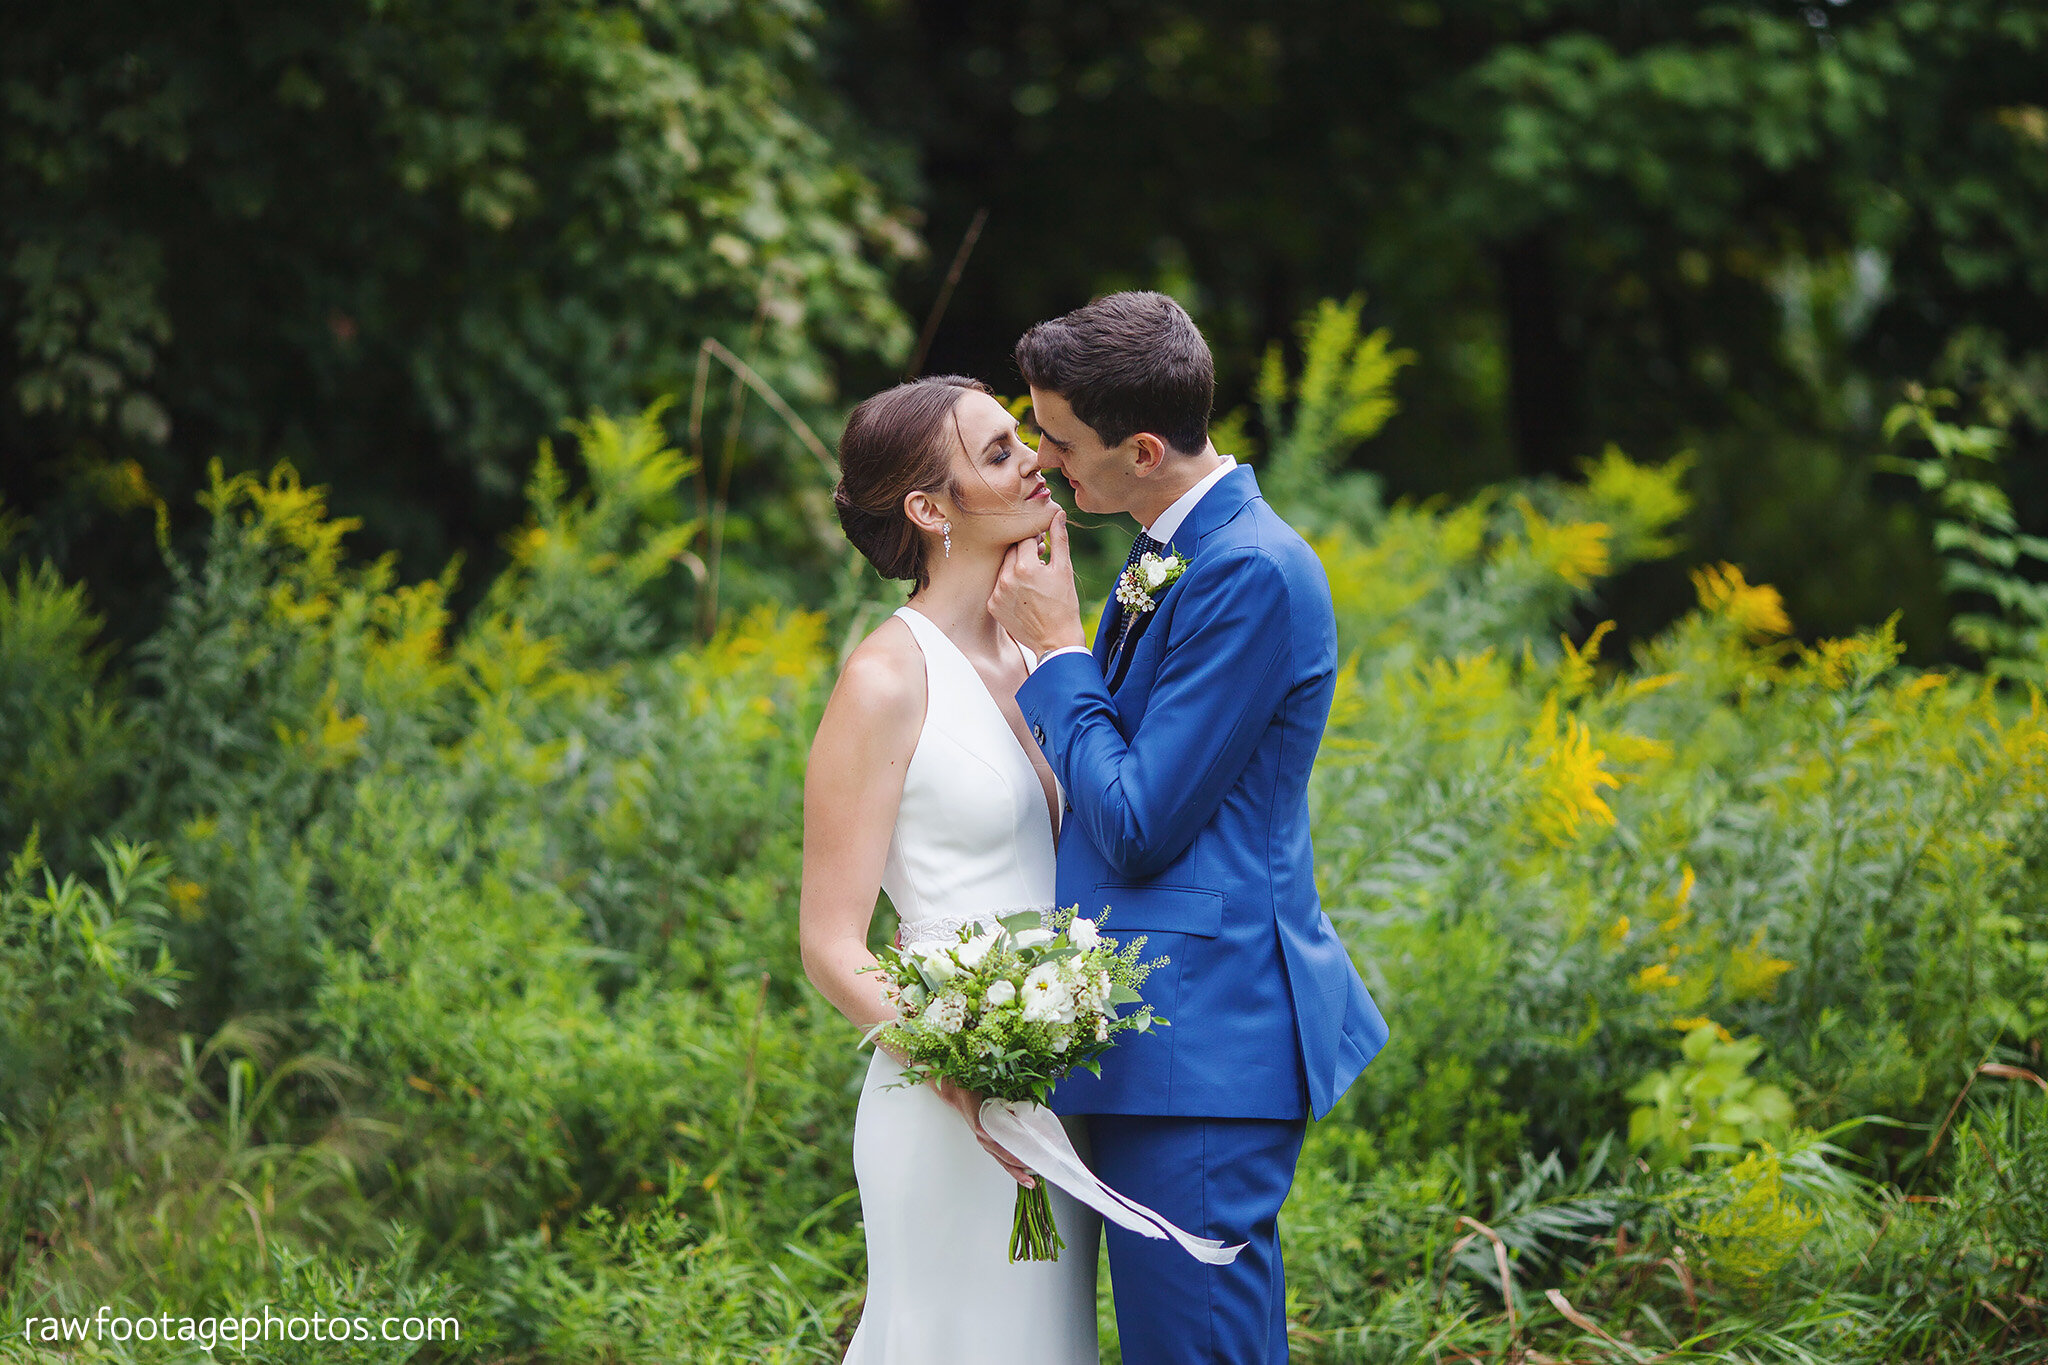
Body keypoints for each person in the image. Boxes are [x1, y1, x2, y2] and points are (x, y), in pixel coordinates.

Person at [988, 291, 1390, 1365]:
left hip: (1205, 1034)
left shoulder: (1246, 570)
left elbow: (1136, 822)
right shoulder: (1172, 547)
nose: (1042, 459)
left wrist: (1060, 653)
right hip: (1165, 1033)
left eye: (1059, 439)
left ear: (1146, 448)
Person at [799, 374, 1100, 1364]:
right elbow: (830, 945)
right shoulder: (884, 679)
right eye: (999, 454)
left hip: (1059, 1087)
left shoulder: (1040, 649)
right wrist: (959, 1070)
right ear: (929, 511)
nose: (1035, 463)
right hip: (944, 1107)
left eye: (1021, 441)